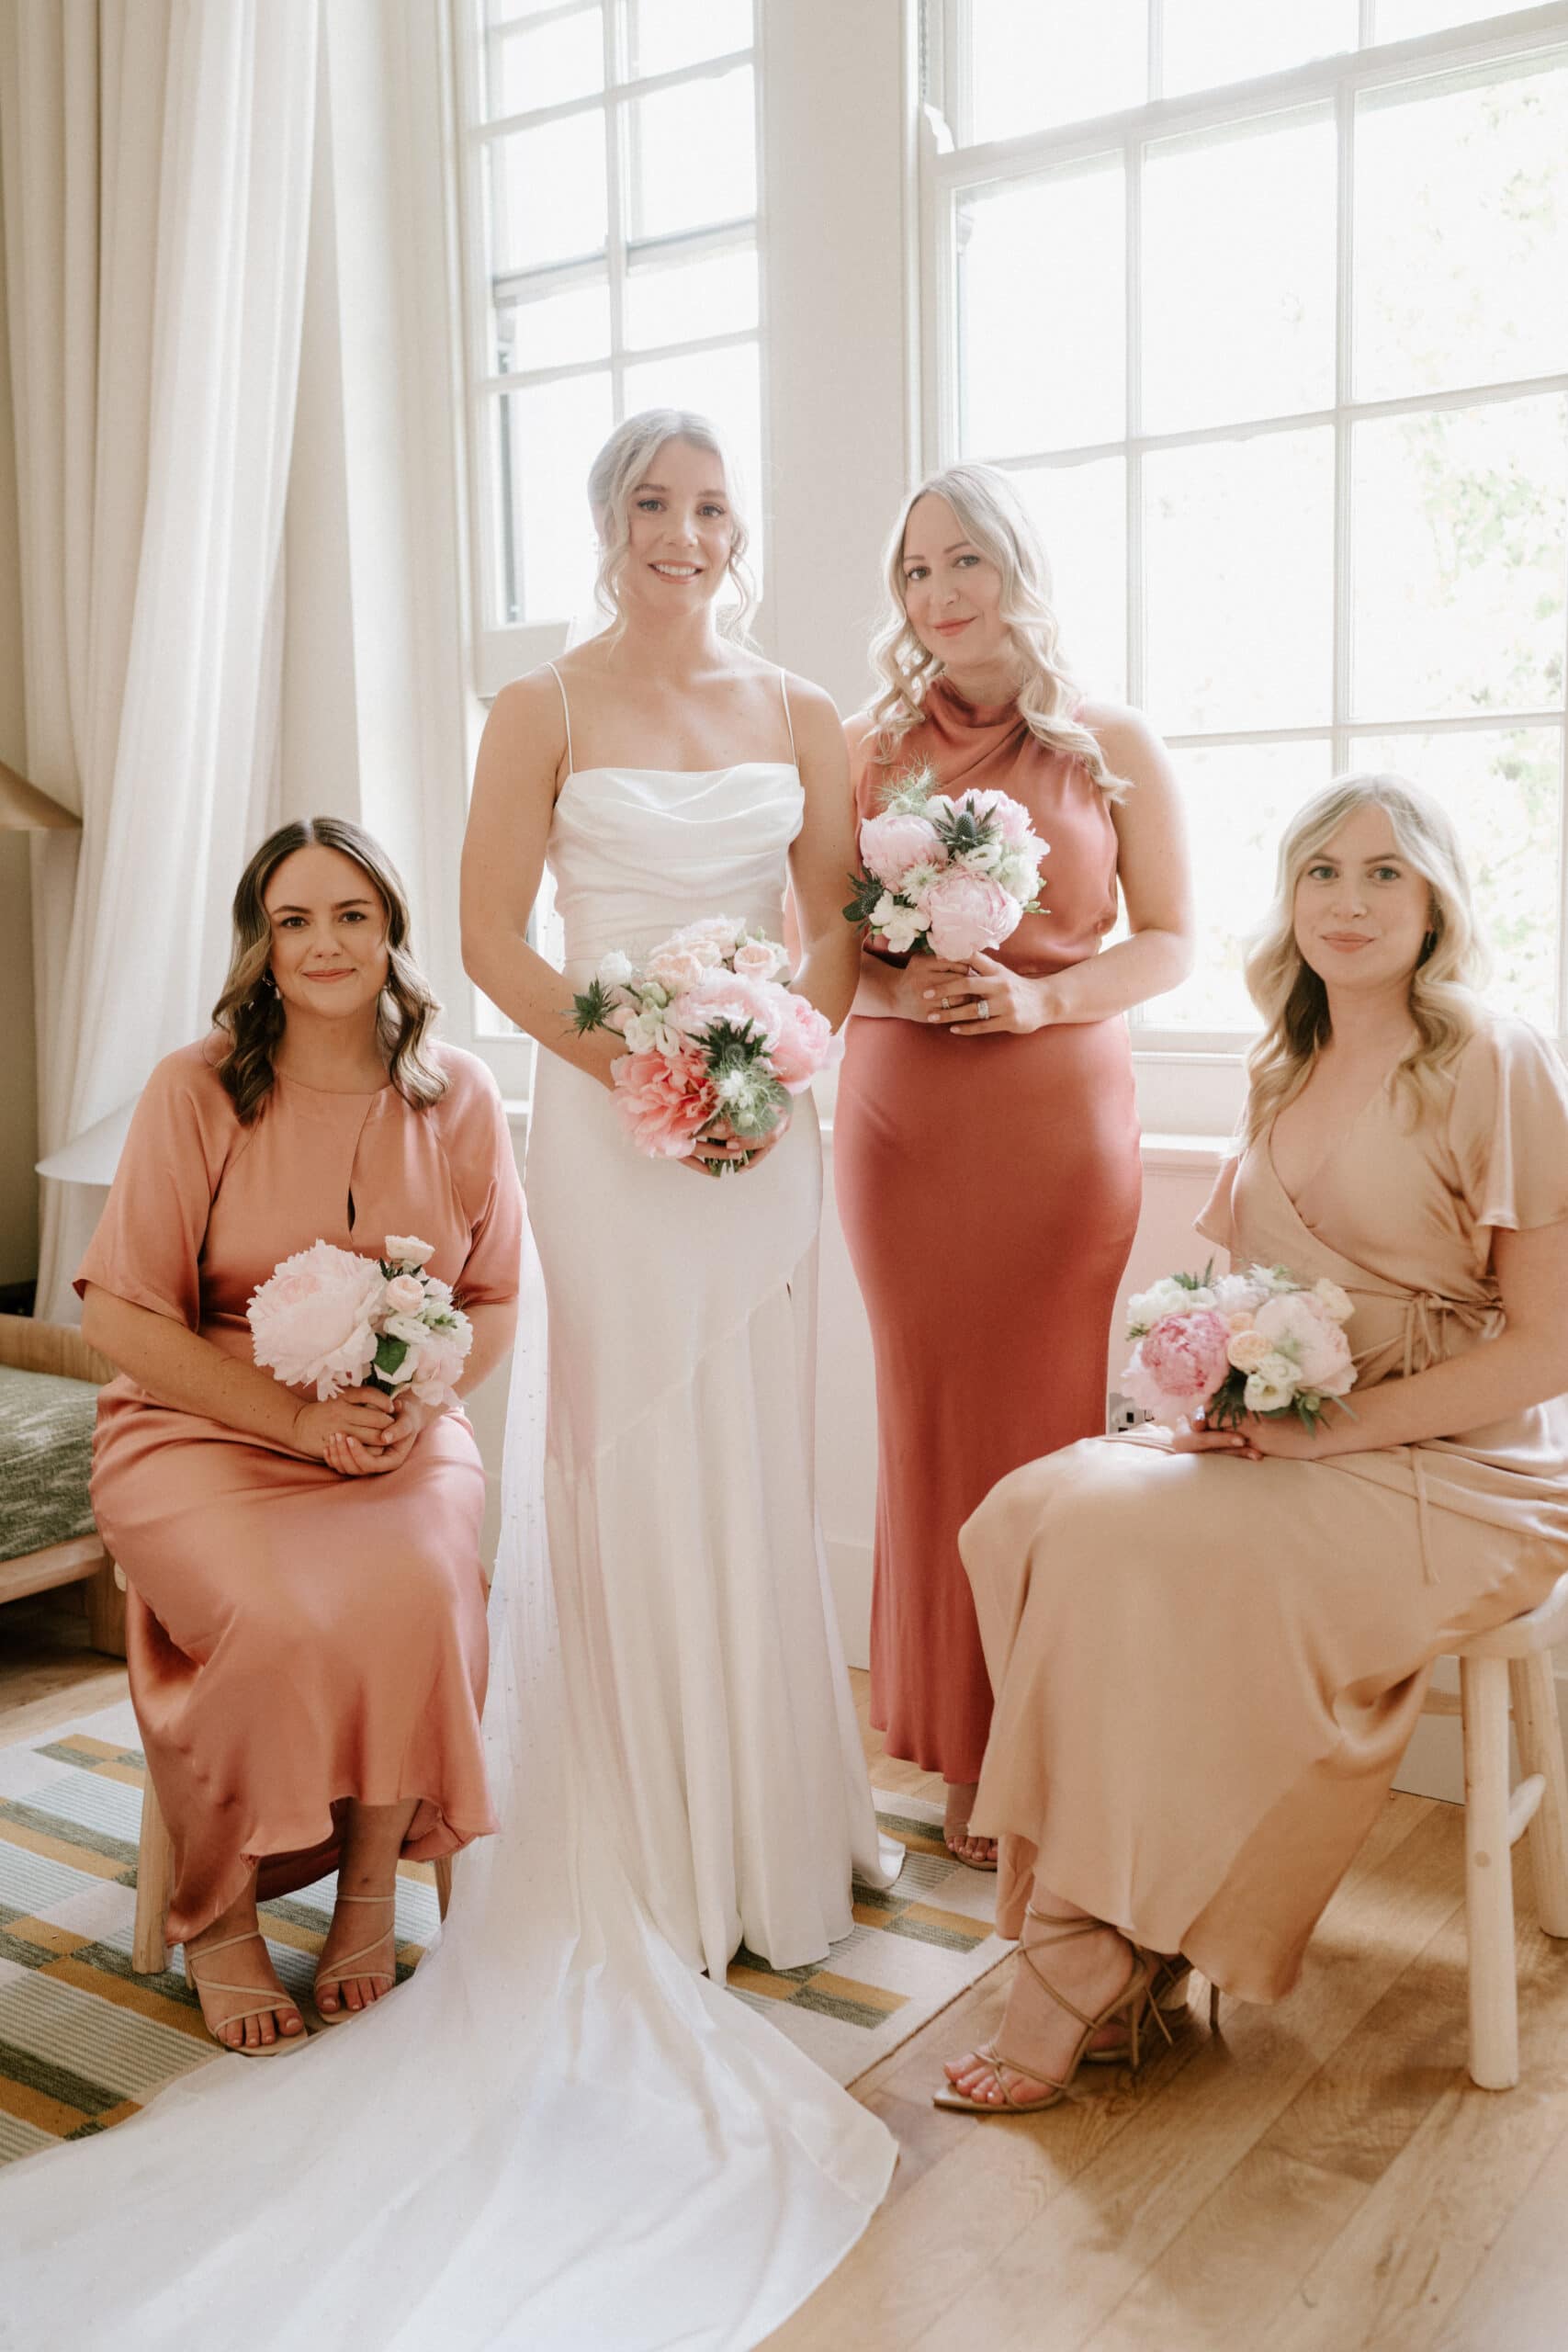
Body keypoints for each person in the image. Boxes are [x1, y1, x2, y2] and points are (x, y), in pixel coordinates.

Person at [942, 775, 1568, 2114]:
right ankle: (1128, 1921)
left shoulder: (1494, 1060)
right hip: (1302, 1440)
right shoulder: (1280, 1060)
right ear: (1290, 900)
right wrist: (1217, 1395)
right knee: (1026, 1511)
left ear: (1438, 900)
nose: (1350, 900)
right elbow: (1245, 1296)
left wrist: (1326, 1429)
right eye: (1322, 872)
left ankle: (1084, 1955)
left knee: (1121, 1534)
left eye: (1386, 872)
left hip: (1463, 1466)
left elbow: (1548, 1348)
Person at [461, 405, 899, 1975]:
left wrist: (771, 1060)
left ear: (739, 532)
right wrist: (635, 1064)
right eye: (655, 501)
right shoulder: (541, 705)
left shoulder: (802, 709)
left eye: (713, 506)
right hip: (603, 1122)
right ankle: (643, 1838)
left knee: (750, 1446)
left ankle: (769, 1827)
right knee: (630, 1434)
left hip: (761, 1123)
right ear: (608, 521)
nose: (686, 532)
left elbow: (837, 922)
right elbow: (494, 938)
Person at [75, 817, 522, 2052]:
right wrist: (291, 1420)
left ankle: (369, 1884)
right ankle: (218, 1910)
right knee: (271, 1614)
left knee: (420, 1583)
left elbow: (491, 1299)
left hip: (395, 1429)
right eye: (294, 920)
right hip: (199, 1426)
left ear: (391, 934)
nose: (324, 943)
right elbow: (121, 1309)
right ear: (261, 947)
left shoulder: (460, 1092)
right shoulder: (199, 1086)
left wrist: (410, 1409)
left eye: (351, 915)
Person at [834, 463, 1192, 1868]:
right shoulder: (868, 753)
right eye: (917, 572)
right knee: (926, 1441)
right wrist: (893, 991)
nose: (942, 596)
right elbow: (824, 951)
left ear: (1020, 567)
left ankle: (1038, 1745)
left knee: (1046, 1440)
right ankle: (954, 1754)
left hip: (1055, 1124)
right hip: (906, 1124)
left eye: (966, 560)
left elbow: (1168, 938)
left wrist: (1041, 999)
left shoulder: (1110, 745)